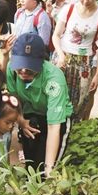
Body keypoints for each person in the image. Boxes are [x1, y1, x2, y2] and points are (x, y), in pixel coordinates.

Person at [7, 34, 73, 176]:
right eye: (20, 65)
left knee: (47, 167)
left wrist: (49, 170)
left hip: (56, 118)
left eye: (30, 66)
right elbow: (14, 99)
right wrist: (21, 121)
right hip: (30, 113)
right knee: (32, 164)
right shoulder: (11, 70)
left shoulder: (54, 80)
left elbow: (54, 126)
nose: (23, 71)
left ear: (41, 62)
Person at [52, 0, 98, 120]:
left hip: (85, 63)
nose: (85, 1)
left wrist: (97, 74)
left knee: (79, 101)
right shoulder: (69, 9)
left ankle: (73, 132)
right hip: (63, 58)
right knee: (55, 96)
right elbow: (56, 35)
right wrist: (60, 55)